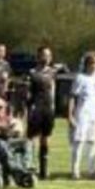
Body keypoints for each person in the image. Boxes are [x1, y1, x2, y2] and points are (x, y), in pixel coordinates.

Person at [68, 52, 95, 179]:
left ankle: (92, 170)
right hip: (82, 113)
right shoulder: (80, 78)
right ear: (88, 64)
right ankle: (75, 170)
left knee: (93, 142)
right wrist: (70, 115)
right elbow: (72, 97)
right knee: (79, 141)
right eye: (94, 63)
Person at [26, 46, 60, 180]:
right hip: (36, 108)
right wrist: (27, 108)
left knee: (45, 139)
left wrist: (54, 107)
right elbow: (27, 92)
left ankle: (43, 170)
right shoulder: (32, 72)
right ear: (38, 56)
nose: (46, 57)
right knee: (31, 139)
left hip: (48, 109)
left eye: (48, 55)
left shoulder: (53, 72)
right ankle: (29, 166)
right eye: (43, 55)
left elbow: (53, 89)